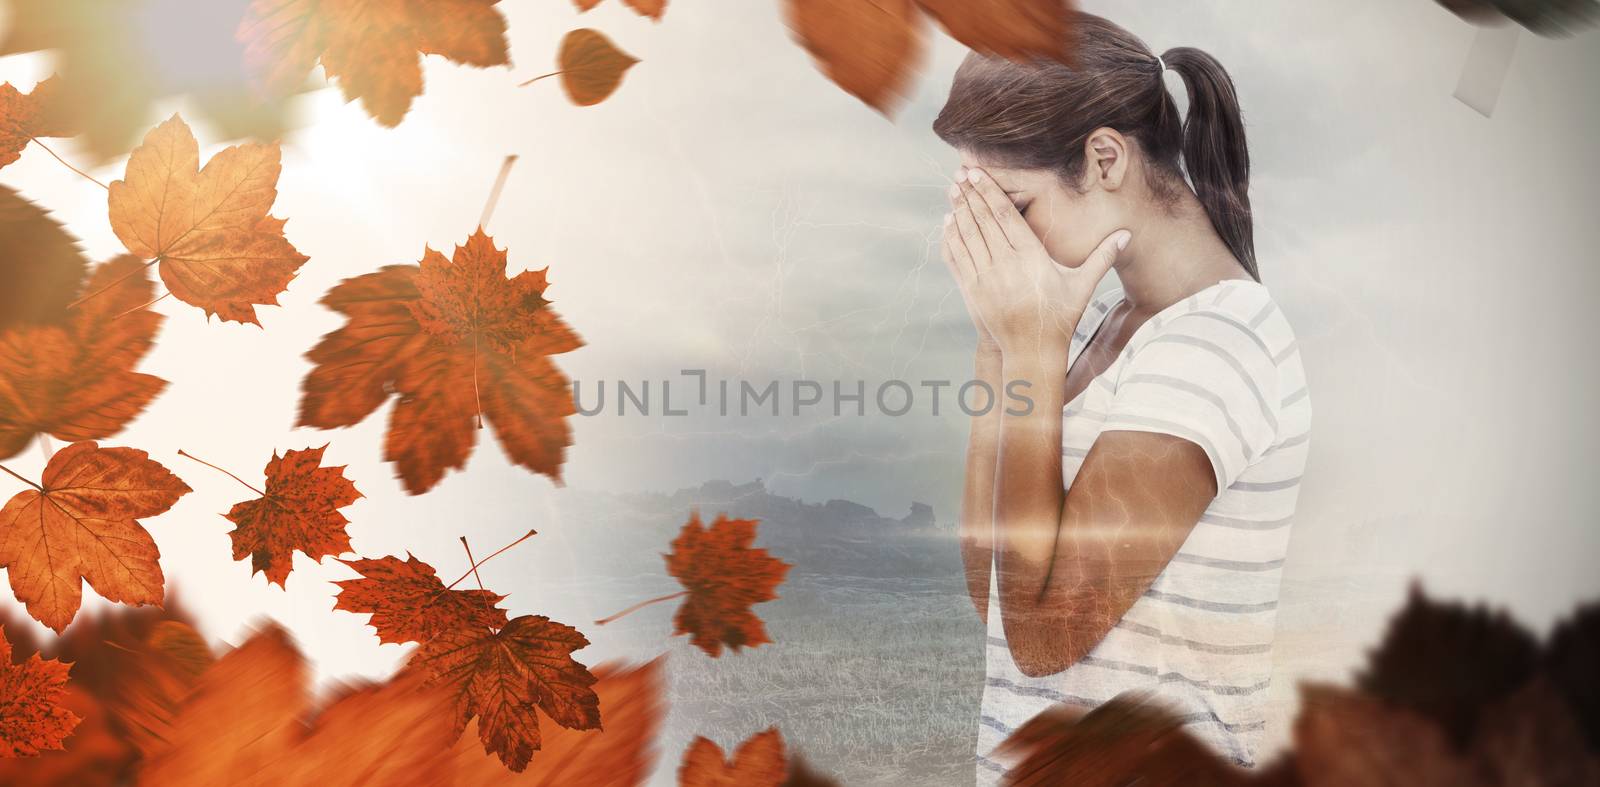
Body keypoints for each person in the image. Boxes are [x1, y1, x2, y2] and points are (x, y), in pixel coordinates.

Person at [932, 12, 1312, 782]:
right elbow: (993, 586)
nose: (998, 242)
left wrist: (1033, 347)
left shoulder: (1216, 344)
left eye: (1014, 208)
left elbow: (1045, 640)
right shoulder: (1108, 325)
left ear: (1106, 157)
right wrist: (999, 339)